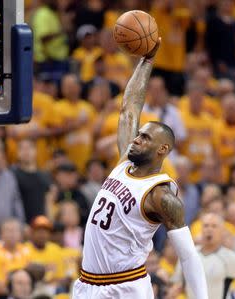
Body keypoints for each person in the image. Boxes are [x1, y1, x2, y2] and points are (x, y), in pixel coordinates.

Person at [72, 39, 207, 298]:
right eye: (139, 134)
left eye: (145, 138)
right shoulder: (125, 162)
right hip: (87, 284)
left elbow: (189, 257)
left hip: (125, 287)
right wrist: (146, 62)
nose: (136, 138)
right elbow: (129, 108)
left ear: (162, 150)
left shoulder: (161, 195)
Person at [172, 213, 235, 299]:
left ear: (222, 231)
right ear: (201, 229)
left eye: (214, 226)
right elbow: (177, 285)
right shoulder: (189, 255)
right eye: (206, 226)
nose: (209, 229)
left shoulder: (229, 258)